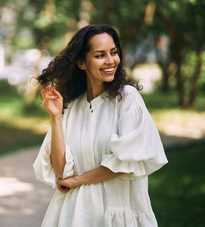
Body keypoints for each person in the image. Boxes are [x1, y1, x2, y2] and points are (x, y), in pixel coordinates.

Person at [33, 24, 168, 227]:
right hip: (74, 216)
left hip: (119, 216)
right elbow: (61, 172)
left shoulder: (128, 99)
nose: (110, 61)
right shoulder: (72, 106)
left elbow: (126, 162)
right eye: (100, 55)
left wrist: (78, 181)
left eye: (114, 52)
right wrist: (55, 117)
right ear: (81, 63)